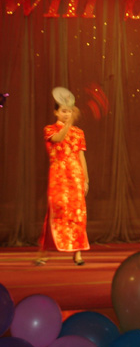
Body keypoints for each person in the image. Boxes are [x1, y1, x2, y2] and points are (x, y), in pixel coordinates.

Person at [35, 103, 89, 266]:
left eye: (70, 111)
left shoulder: (79, 132)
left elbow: (81, 156)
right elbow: (58, 138)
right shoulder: (49, 129)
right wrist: (68, 124)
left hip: (75, 175)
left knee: (78, 213)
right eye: (64, 111)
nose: (67, 114)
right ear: (56, 112)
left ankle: (77, 253)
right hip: (59, 175)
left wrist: (86, 179)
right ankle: (44, 252)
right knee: (55, 211)